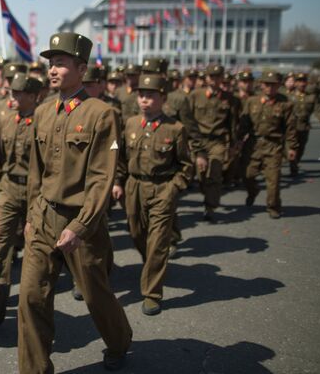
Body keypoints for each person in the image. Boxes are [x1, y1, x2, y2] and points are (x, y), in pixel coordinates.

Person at [19, 32, 132, 372]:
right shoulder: (42, 112)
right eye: (50, 64)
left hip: (80, 222)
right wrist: (30, 216)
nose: (52, 70)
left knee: (95, 295)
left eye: (60, 64)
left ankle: (119, 340)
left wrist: (81, 226)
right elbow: (36, 173)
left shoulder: (102, 114)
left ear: (81, 68)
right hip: (43, 217)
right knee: (30, 297)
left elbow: (101, 177)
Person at [115, 74, 193, 316]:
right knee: (138, 233)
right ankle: (151, 265)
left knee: (158, 241)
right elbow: (120, 158)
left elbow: (186, 167)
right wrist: (118, 181)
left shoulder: (176, 128)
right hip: (134, 187)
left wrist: (173, 189)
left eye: (150, 95)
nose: (144, 100)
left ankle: (151, 293)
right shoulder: (130, 124)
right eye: (141, 95)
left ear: (163, 98)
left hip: (162, 188)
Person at [0, 73, 42, 326]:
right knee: (0, 243)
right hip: (8, 188)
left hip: (35, 191)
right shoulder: (6, 120)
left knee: (36, 245)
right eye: (13, 93)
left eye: (20, 93)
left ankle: (34, 304)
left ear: (33, 96)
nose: (14, 97)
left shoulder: (44, 123)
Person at [182, 64, 241, 222]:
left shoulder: (230, 99)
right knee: (201, 174)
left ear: (222, 78)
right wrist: (188, 141)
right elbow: (188, 120)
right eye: (211, 77)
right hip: (198, 140)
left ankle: (210, 207)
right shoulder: (195, 96)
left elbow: (233, 124)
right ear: (206, 78)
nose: (214, 80)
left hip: (217, 141)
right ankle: (207, 193)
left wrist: (234, 144)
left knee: (214, 171)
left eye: (218, 77)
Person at [240, 71, 297, 218]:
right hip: (253, 144)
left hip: (274, 145)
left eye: (274, 85)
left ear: (279, 85)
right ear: (261, 85)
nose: (270, 88)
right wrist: (238, 141)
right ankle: (253, 191)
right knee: (247, 175)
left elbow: (290, 128)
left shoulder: (285, 103)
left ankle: (273, 206)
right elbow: (244, 125)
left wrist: (291, 147)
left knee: (273, 179)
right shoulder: (252, 101)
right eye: (267, 84)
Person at [288, 72, 317, 177]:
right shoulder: (289, 96)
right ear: (295, 83)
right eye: (299, 81)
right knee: (293, 147)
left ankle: (295, 162)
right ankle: (293, 166)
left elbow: (318, 109)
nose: (302, 84)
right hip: (291, 127)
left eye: (304, 81)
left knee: (301, 148)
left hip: (304, 127)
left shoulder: (311, 97)